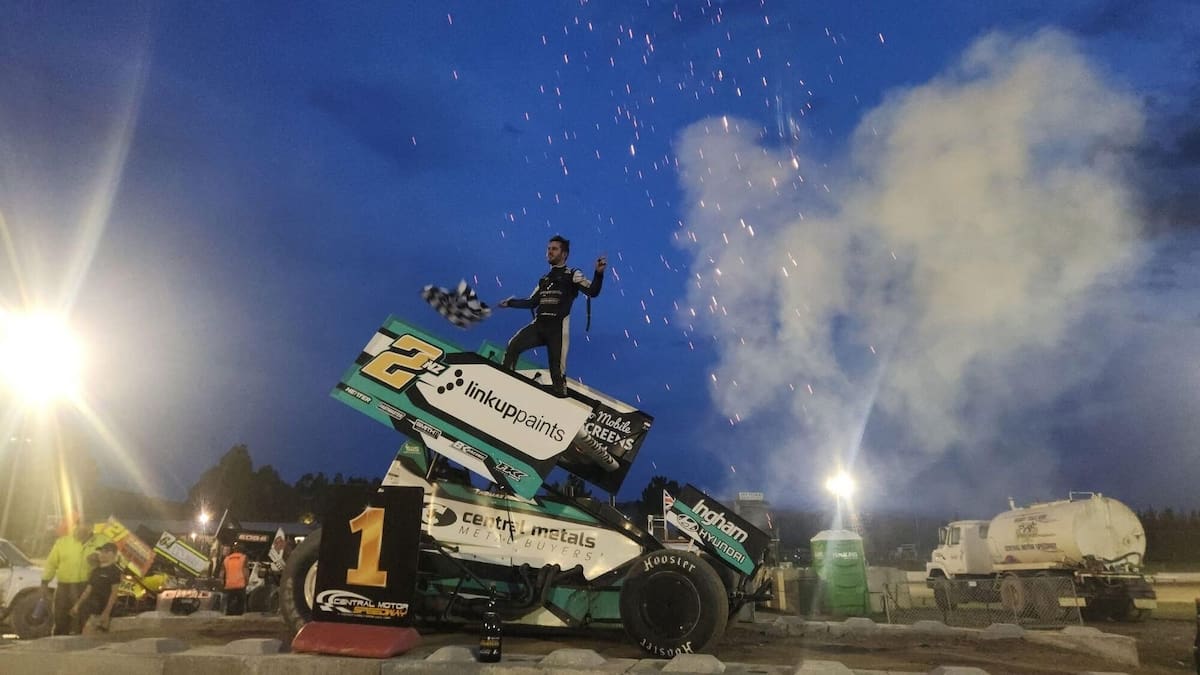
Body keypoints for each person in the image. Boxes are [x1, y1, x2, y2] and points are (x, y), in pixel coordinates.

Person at [499, 235, 605, 397]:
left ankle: (560, 399)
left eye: (554, 249)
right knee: (512, 345)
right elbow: (532, 302)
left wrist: (598, 274)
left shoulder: (573, 273)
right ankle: (502, 383)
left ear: (564, 254)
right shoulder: (544, 278)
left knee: (556, 370)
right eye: (548, 249)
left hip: (558, 330)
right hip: (539, 325)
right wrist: (510, 303)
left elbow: (593, 291)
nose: (549, 252)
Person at [41, 516, 104, 635]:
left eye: (86, 528)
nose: (81, 531)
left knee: (84, 620)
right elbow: (51, 563)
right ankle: (59, 645)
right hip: (64, 588)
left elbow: (115, 558)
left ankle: (82, 649)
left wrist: (100, 559)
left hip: (87, 588)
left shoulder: (102, 542)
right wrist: (45, 581)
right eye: (79, 528)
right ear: (76, 526)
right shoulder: (63, 542)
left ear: (92, 528)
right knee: (60, 619)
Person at [70, 541, 121, 634]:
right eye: (101, 552)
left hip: (101, 610)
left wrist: (106, 613)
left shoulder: (115, 571)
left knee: (94, 636)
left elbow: (114, 594)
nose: (102, 554)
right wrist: (77, 605)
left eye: (106, 552)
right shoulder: (96, 571)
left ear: (113, 554)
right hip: (90, 609)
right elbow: (87, 590)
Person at [220, 541, 248, 616]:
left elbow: (222, 573)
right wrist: (247, 582)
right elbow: (245, 572)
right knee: (241, 604)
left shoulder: (226, 559)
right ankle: (239, 617)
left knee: (229, 603)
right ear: (242, 550)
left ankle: (229, 616)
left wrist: (222, 582)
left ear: (233, 549)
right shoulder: (244, 558)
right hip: (240, 585)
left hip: (229, 585)